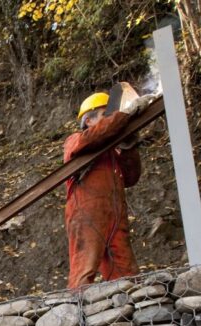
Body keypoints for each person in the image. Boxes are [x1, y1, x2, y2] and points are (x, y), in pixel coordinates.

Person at [62, 92, 149, 289]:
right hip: (86, 213)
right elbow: (95, 136)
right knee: (85, 266)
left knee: (126, 272)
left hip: (115, 214)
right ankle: (77, 311)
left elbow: (132, 177)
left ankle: (130, 308)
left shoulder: (112, 152)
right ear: (89, 120)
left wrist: (129, 147)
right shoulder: (76, 140)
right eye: (105, 114)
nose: (111, 118)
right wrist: (124, 115)